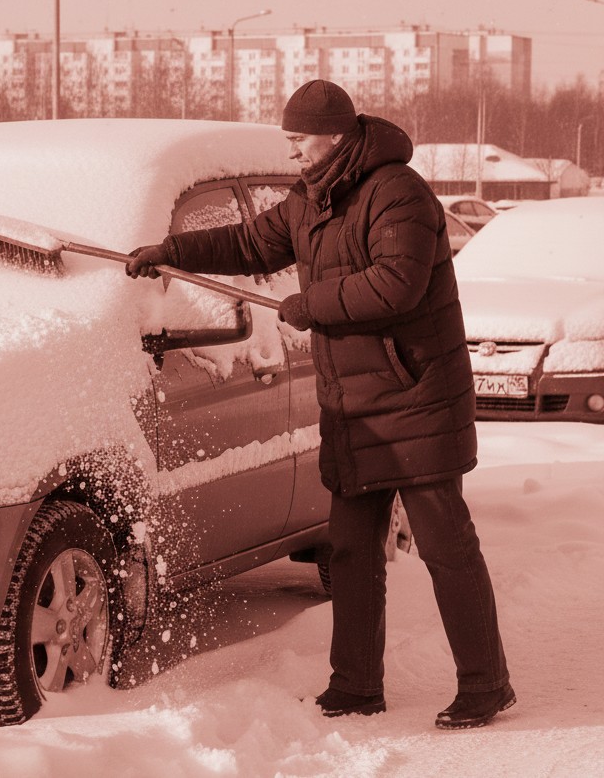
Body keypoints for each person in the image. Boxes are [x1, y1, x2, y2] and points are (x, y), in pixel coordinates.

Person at [126, 79, 514, 730]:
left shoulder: (399, 193)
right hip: (352, 405)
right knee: (352, 553)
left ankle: (486, 683)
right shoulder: (308, 200)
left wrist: (308, 306)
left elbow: (396, 285)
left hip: (414, 396)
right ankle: (356, 686)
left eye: (298, 140)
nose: (292, 153)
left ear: (333, 138)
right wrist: (170, 254)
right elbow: (250, 244)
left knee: (449, 548)